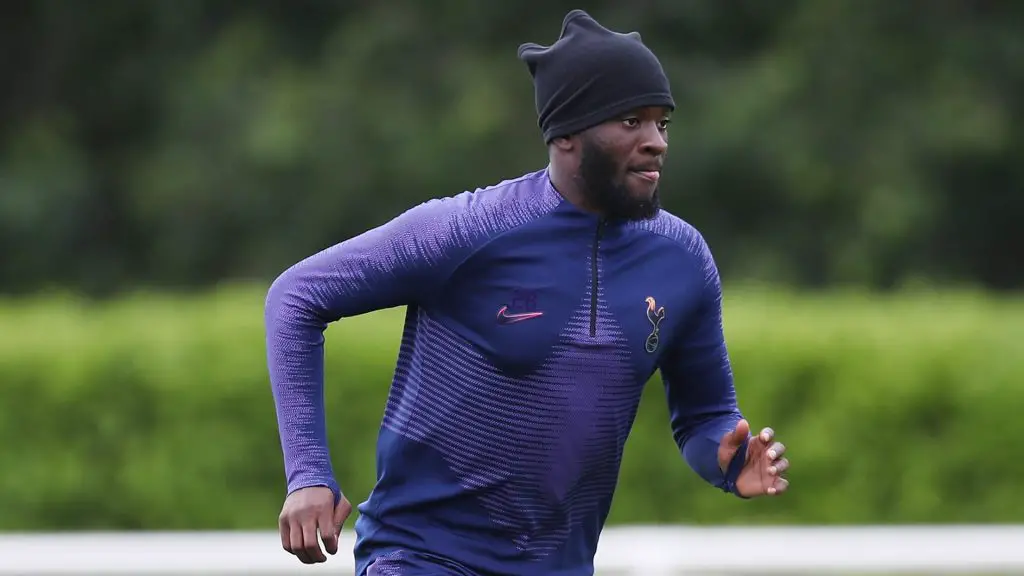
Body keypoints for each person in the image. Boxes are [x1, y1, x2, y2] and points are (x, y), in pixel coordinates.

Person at [264, 9, 789, 576]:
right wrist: (308, 473)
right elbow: (296, 298)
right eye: (632, 121)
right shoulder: (467, 232)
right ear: (565, 133)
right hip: (421, 559)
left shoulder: (682, 260)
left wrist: (727, 461)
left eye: (663, 123)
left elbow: (706, 415)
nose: (656, 142)